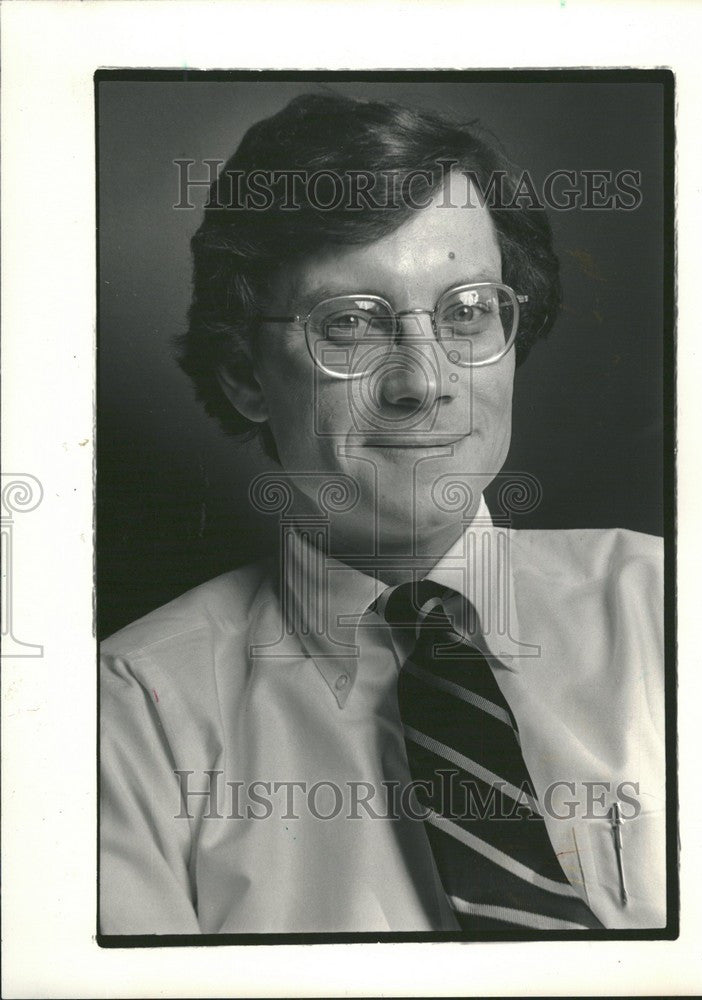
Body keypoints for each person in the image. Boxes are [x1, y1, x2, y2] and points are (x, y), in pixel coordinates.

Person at [99, 93, 665, 934]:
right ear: (246, 375)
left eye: (467, 312)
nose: (424, 381)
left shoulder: (672, 609)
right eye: (351, 326)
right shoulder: (133, 716)